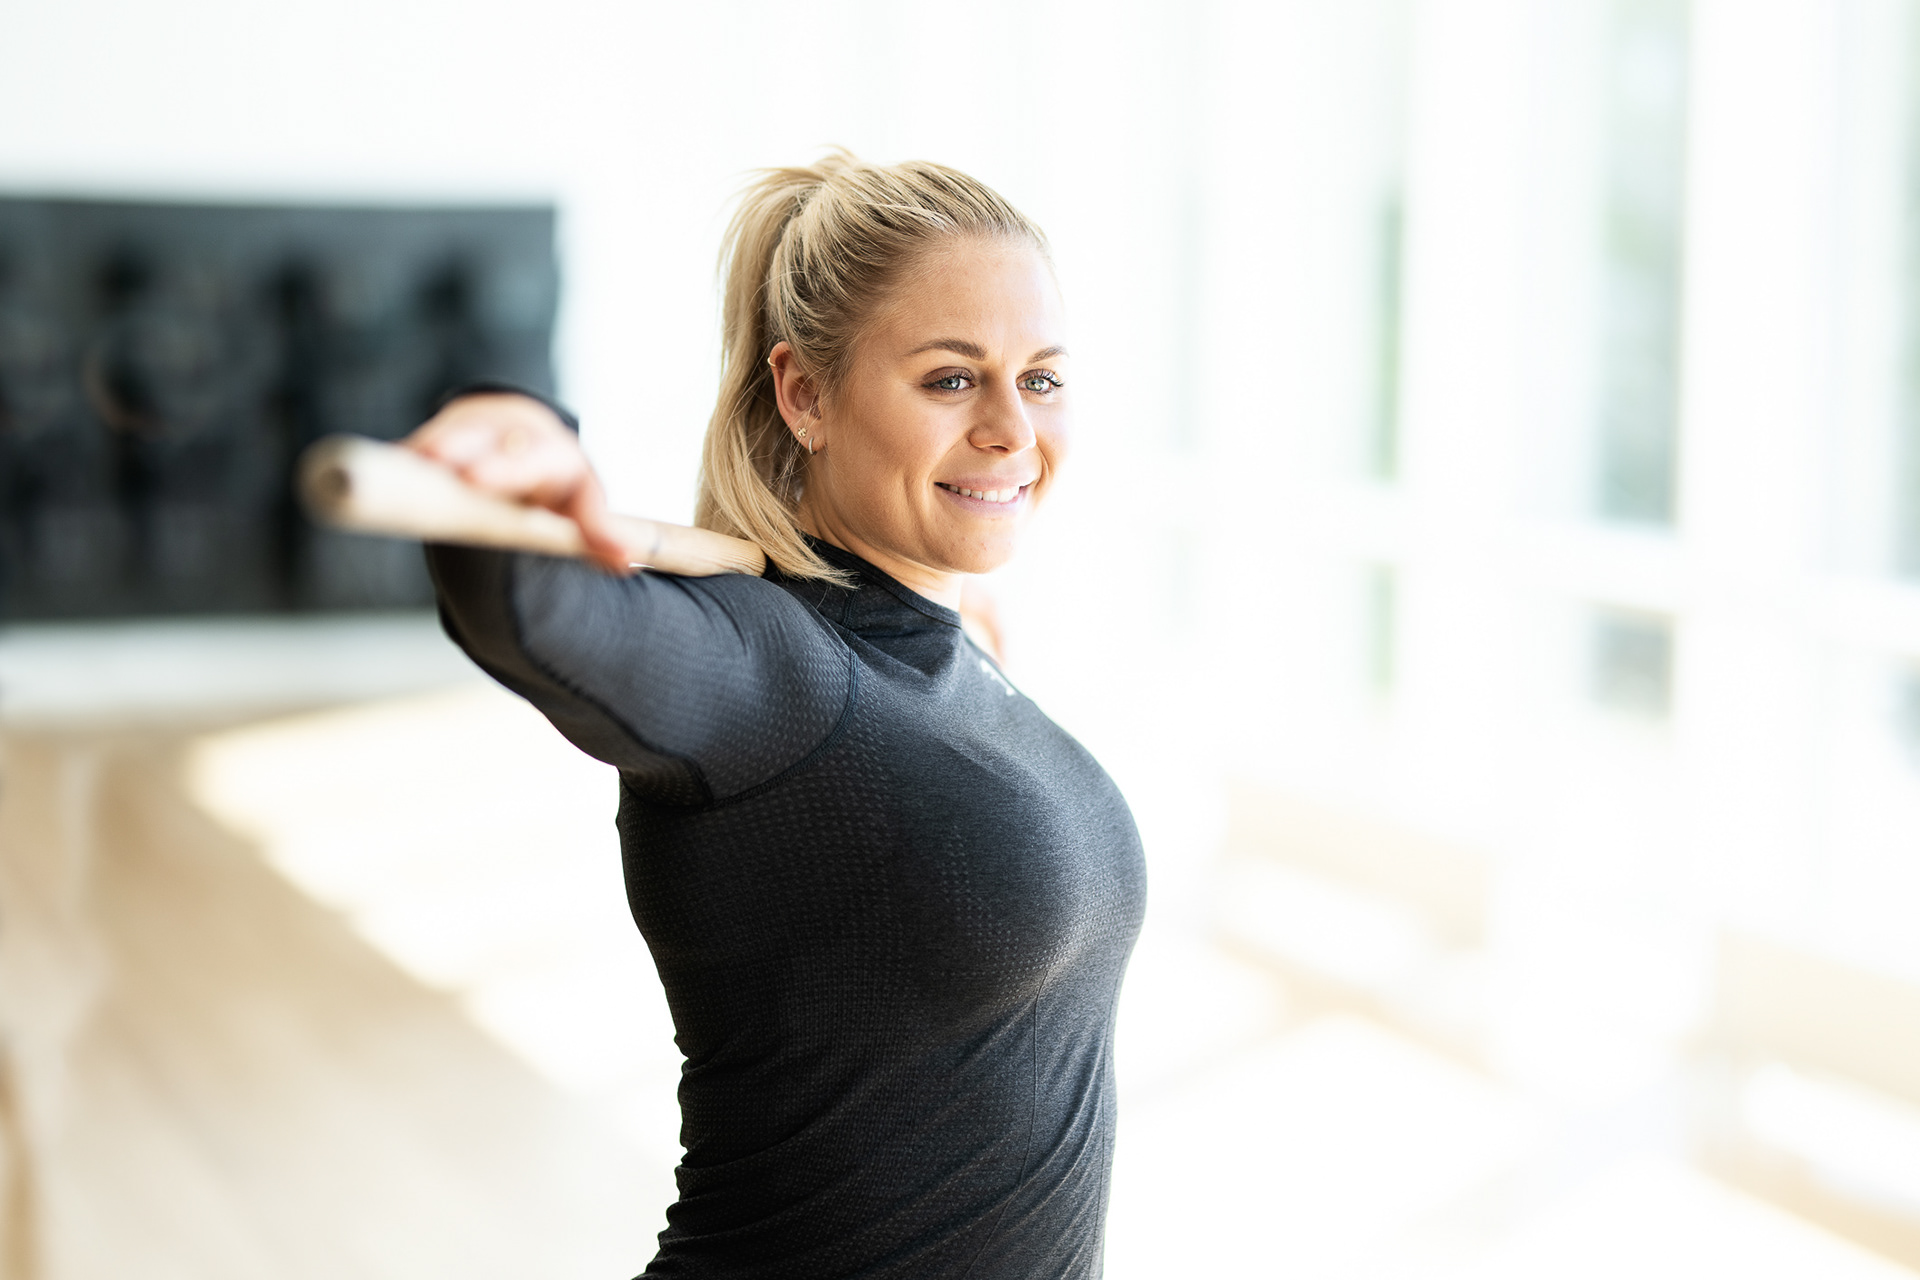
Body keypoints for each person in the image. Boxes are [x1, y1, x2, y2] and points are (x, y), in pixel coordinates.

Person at [407, 152, 1146, 1279]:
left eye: (1040, 378)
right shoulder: (766, 666)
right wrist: (519, 432)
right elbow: (532, 607)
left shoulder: (944, 650)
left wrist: (949, 626)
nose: (1012, 427)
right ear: (804, 394)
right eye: (952, 379)